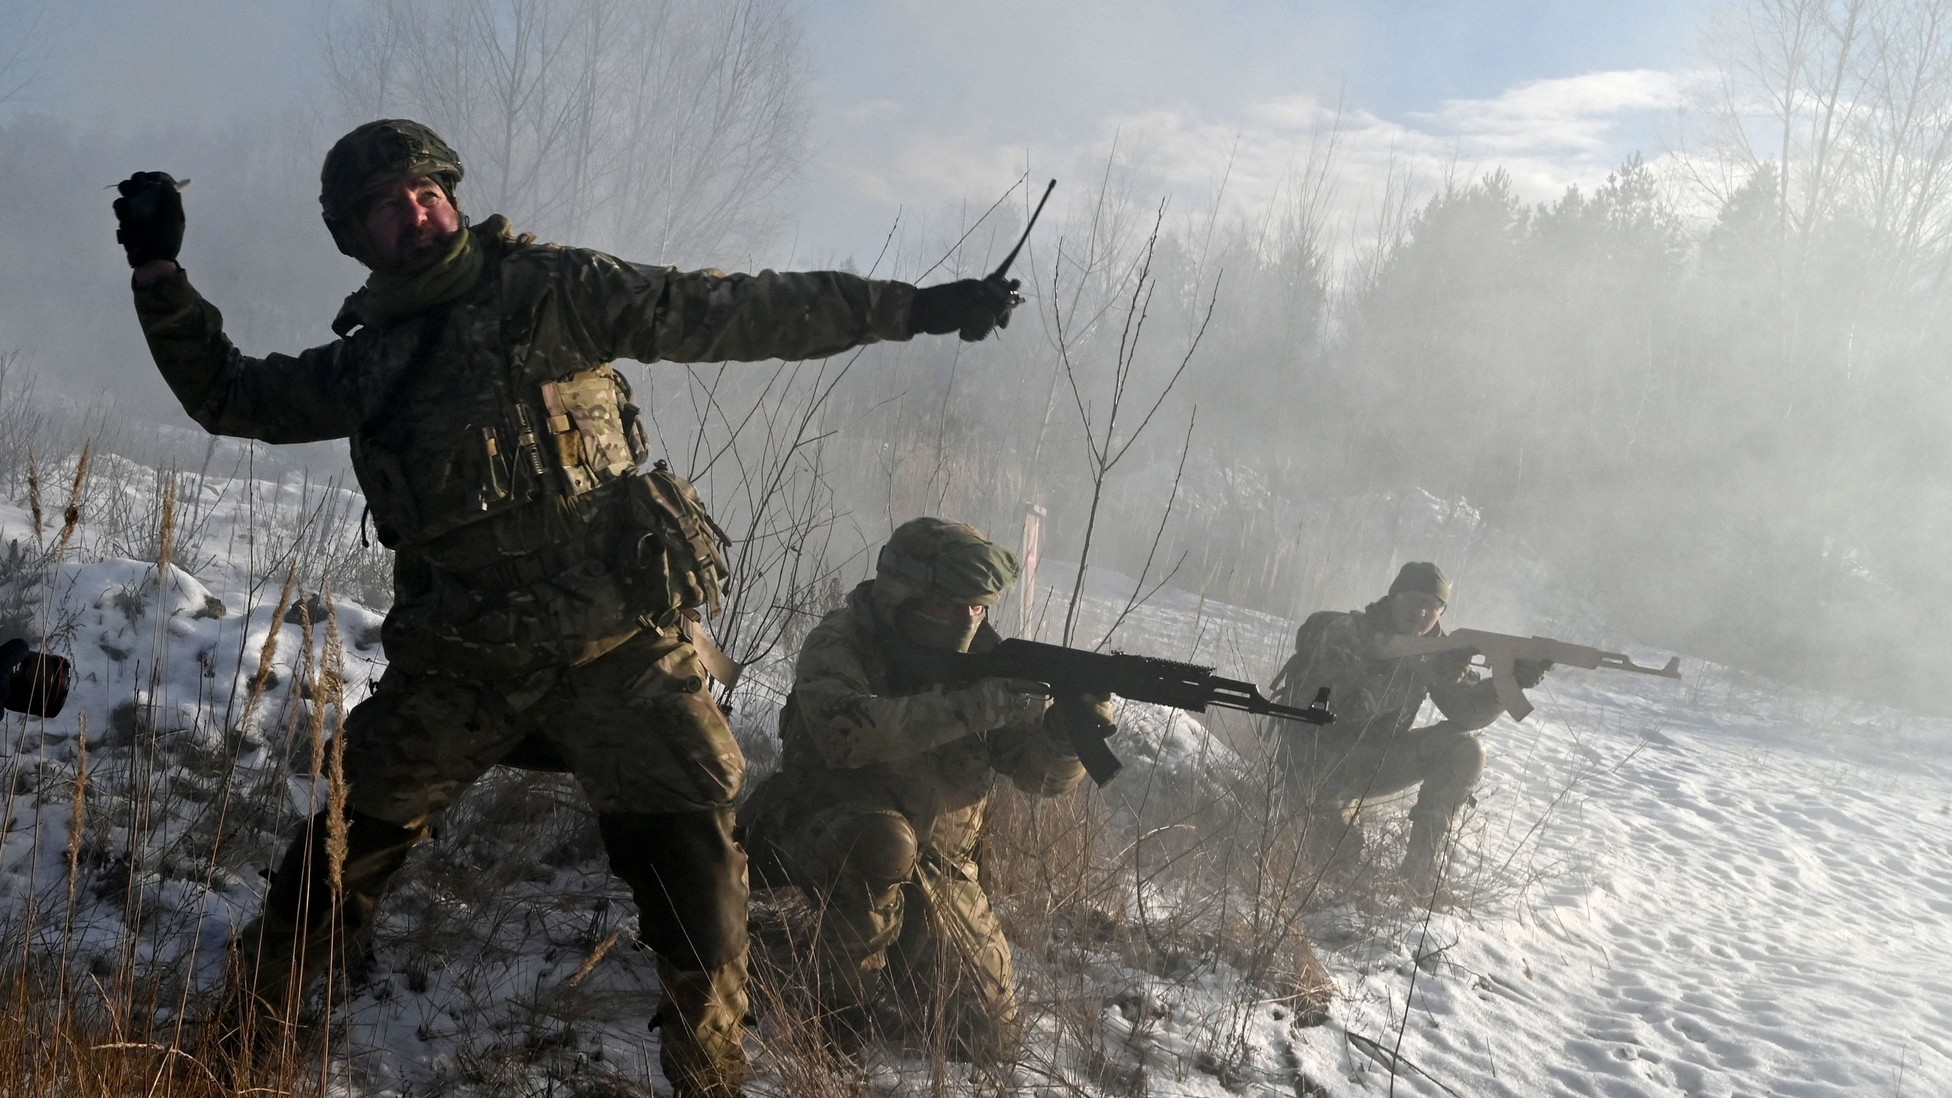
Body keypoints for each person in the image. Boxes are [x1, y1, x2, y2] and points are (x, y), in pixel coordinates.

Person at [112, 119, 1021, 1098]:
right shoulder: (367, 364)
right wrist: (160, 274)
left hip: (619, 658)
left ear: (451, 195)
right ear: (356, 235)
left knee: (701, 899)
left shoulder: (553, 294)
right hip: (461, 667)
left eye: (424, 194)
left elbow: (730, 311)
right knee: (327, 872)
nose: (413, 216)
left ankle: (708, 1079)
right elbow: (232, 397)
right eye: (385, 208)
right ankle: (236, 1057)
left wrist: (915, 308)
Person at [738, 517, 1112, 1062]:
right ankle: (836, 1022)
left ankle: (882, 951)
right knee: (879, 842)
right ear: (899, 596)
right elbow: (846, 737)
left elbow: (1038, 777)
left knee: (985, 1037)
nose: (967, 619)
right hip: (818, 826)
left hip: (938, 860)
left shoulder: (990, 661)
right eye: (949, 605)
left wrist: (1069, 736)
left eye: (978, 607)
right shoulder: (843, 641)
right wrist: (972, 706)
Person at [1266, 562, 1547, 907]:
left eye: (1433, 606)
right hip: (1316, 764)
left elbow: (1466, 713)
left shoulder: (1438, 650)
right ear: (1393, 596)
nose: (1422, 613)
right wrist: (1417, 669)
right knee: (1335, 861)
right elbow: (1345, 708)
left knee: (1464, 750)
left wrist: (1508, 683)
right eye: (1413, 601)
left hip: (1375, 761)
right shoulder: (1348, 633)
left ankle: (1418, 874)